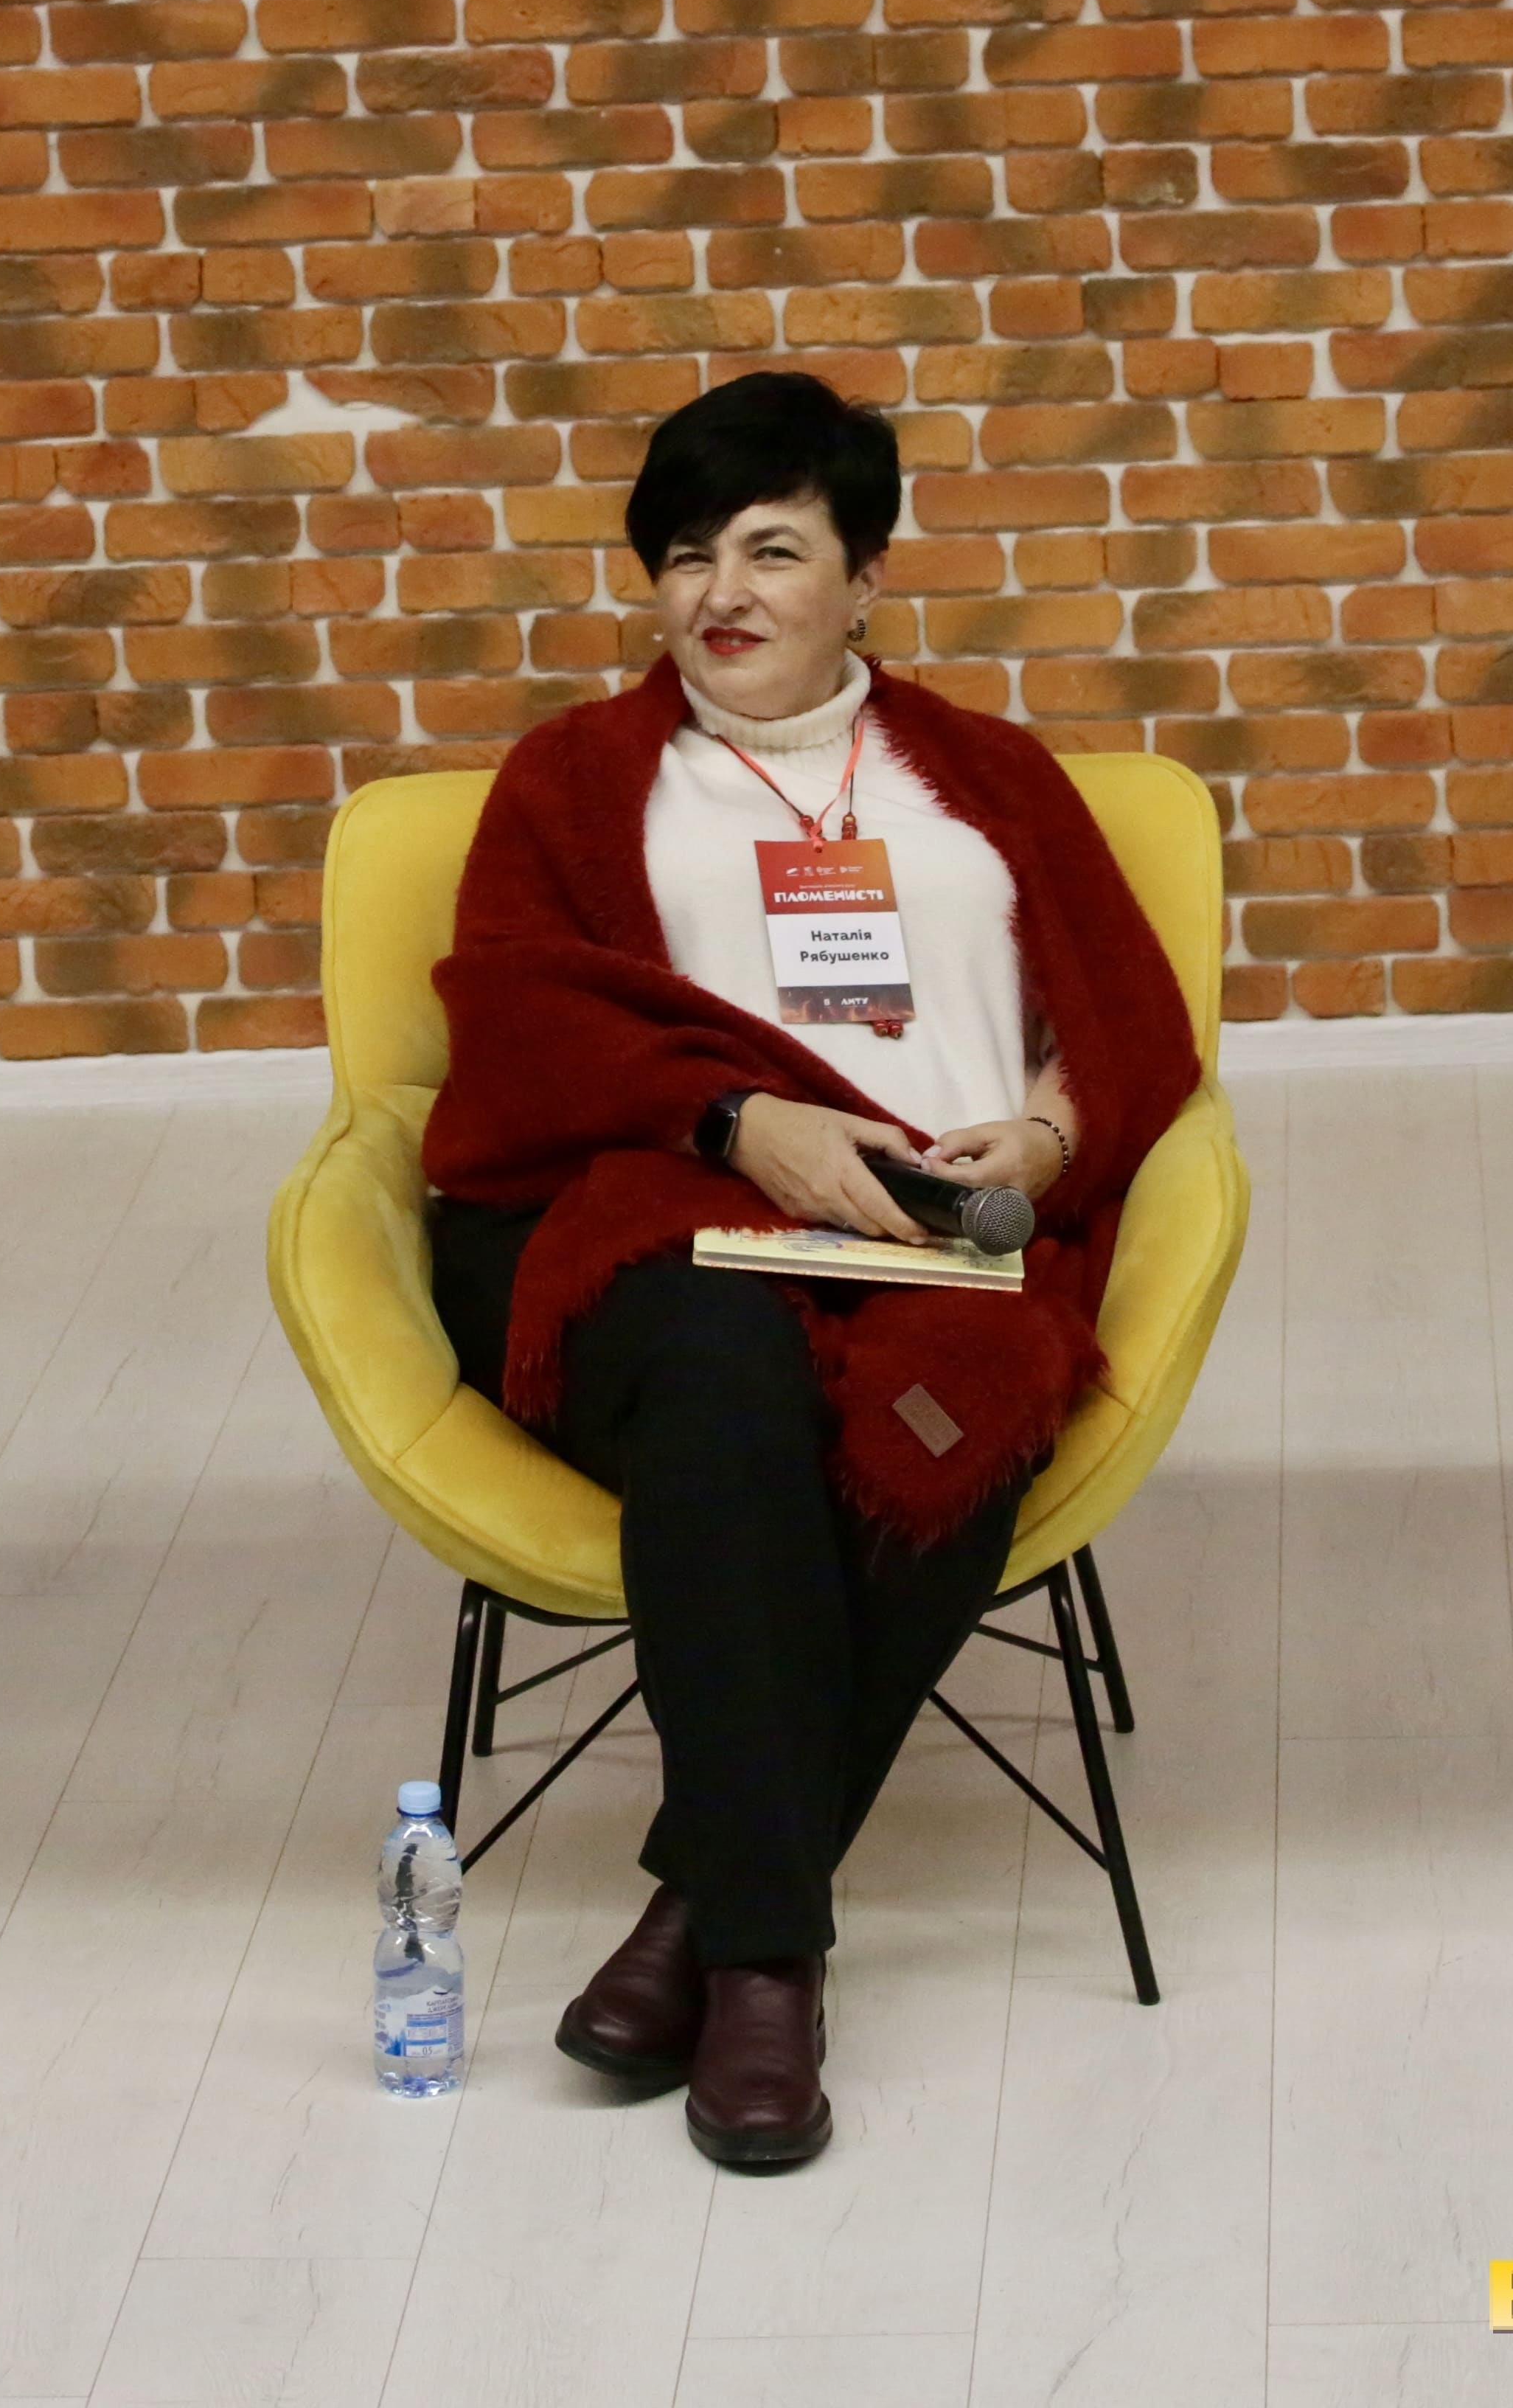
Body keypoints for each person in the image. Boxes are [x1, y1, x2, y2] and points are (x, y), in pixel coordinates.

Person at [420, 370, 1200, 2171]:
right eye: (686, 555)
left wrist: (1045, 1145)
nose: (723, 593)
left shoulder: (989, 780)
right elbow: (517, 1026)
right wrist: (735, 1121)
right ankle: (772, 1968)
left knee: (958, 1403)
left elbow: (1127, 1026)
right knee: (728, 1375)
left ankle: (702, 1911)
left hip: (931, 1239)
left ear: (867, 578)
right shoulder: (576, 778)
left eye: (773, 550)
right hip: (646, 1218)